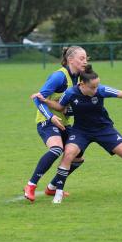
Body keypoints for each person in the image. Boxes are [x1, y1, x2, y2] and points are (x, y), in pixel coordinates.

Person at [34, 64, 122, 204]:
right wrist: (45, 101)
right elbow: (60, 107)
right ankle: (58, 192)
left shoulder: (101, 90)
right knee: (68, 155)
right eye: (92, 87)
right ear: (82, 84)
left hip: (104, 130)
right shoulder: (71, 93)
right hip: (81, 131)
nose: (96, 90)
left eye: (97, 86)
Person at [23, 46, 87, 202]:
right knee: (57, 149)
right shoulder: (59, 77)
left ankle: (52, 187)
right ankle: (31, 185)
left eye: (86, 58)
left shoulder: (80, 78)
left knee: (78, 156)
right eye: (81, 58)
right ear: (70, 59)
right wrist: (51, 117)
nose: (85, 62)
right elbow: (38, 99)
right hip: (46, 120)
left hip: (63, 123)